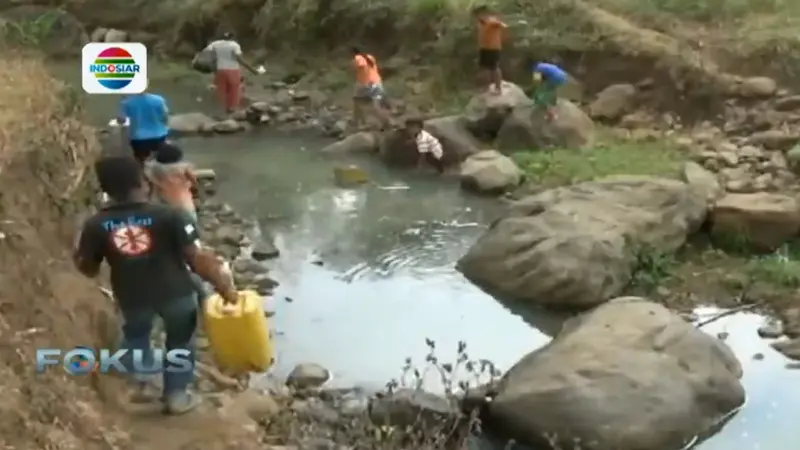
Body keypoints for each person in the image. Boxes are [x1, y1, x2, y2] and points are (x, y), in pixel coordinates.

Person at [72, 155, 238, 415]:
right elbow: (196, 259)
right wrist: (224, 288)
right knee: (180, 342)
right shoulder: (171, 215)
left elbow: (88, 269)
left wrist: (82, 253)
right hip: (176, 293)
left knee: (136, 336)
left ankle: (136, 385)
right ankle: (176, 396)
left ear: (105, 189)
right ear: (142, 182)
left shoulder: (95, 225)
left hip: (131, 296)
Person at [145, 142, 209, 303]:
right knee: (192, 243)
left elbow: (147, 175)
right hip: (184, 209)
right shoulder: (184, 169)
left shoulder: (153, 169)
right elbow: (194, 182)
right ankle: (200, 287)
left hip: (162, 210)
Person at [203, 32, 263, 116]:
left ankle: (223, 110)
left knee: (222, 90)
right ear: (232, 38)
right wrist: (252, 70)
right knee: (234, 90)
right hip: (233, 70)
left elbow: (207, 53)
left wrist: (213, 65)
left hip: (220, 70)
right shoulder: (234, 45)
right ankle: (231, 109)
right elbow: (239, 59)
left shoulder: (216, 44)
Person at [117, 91, 169, 165]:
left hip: (138, 138)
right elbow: (165, 117)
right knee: (161, 160)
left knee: (141, 162)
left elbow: (121, 120)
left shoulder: (127, 102)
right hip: (159, 134)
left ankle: (143, 174)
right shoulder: (158, 99)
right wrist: (164, 127)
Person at [351, 47, 391, 130]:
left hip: (367, 84)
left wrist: (354, 67)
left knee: (356, 100)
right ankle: (386, 122)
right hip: (377, 82)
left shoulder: (358, 58)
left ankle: (357, 123)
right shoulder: (369, 57)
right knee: (375, 106)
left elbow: (360, 65)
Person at [473, 5, 507, 95]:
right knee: (485, 67)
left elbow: (502, 25)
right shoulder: (480, 23)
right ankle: (487, 87)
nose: (477, 17)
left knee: (494, 68)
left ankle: (498, 88)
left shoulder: (491, 21)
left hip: (493, 48)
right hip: (484, 48)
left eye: (479, 14)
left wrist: (498, 23)